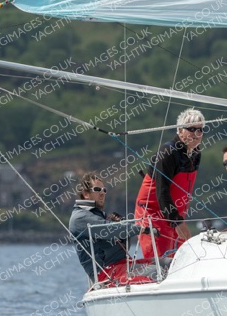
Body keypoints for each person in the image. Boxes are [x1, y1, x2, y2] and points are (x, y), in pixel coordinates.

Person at [135, 108, 204, 259]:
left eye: (200, 130)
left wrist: (177, 219)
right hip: (153, 215)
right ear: (180, 130)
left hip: (175, 214)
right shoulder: (167, 153)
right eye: (191, 129)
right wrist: (176, 221)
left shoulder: (196, 153)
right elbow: (162, 191)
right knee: (161, 261)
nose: (196, 134)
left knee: (181, 259)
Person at [68, 173, 145, 278]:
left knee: (165, 263)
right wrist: (140, 229)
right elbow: (110, 229)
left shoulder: (98, 216)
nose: (102, 193)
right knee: (156, 271)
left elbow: (124, 248)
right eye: (97, 189)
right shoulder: (80, 217)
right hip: (106, 273)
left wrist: (122, 228)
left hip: (122, 265)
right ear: (85, 194)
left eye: (104, 190)